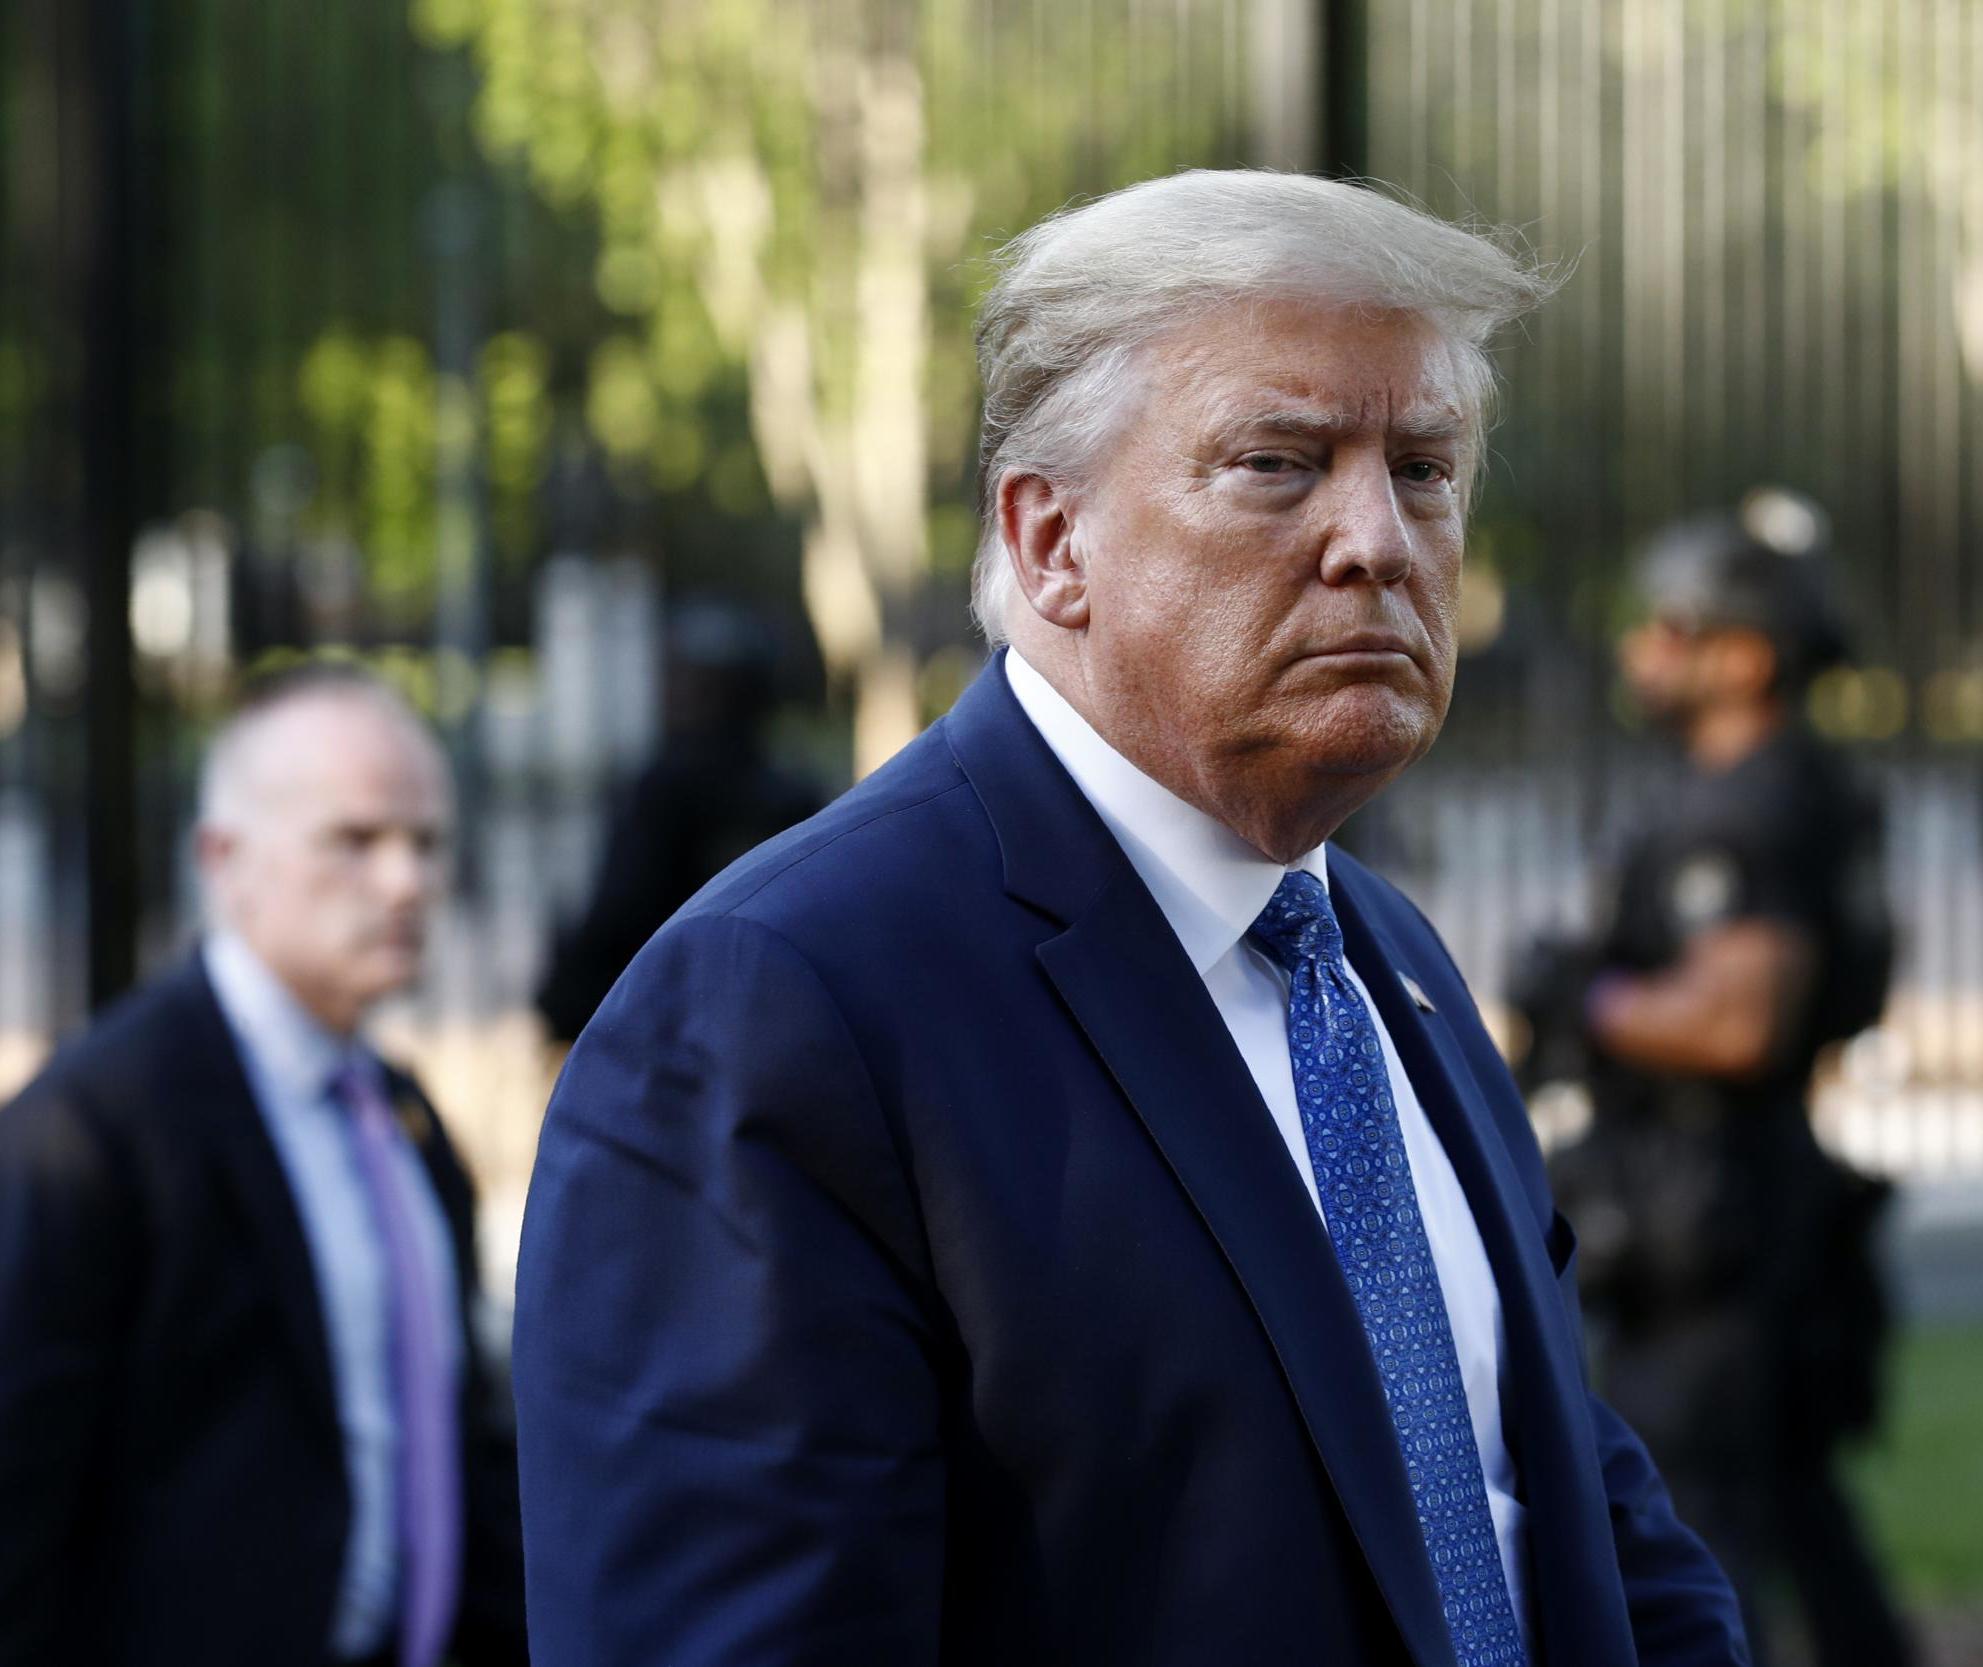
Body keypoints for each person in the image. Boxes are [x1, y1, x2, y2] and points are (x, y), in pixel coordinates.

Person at [513, 169, 1748, 1667]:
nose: (1374, 538)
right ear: (1049, 541)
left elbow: (1555, 1511)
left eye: (1422, 469)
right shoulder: (777, 1010)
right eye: (1278, 463)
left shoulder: (1376, 957)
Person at [0, 665, 528, 1667]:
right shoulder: (91, 1127)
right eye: (354, 840)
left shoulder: (400, 1114)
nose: (407, 880)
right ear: (223, 859)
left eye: (426, 841)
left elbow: (445, 1441)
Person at [1514, 494, 1915, 1667]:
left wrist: (1586, 1001)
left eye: (1671, 629)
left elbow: (1739, 1021)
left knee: (1689, 1528)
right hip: (1760, 1200)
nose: (1643, 648)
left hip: (1709, 1219)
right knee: (1792, 1501)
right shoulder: (1794, 785)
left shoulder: (1747, 808)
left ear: (1742, 656)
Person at [534, 599, 823, 1043]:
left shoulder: (665, 791)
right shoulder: (795, 796)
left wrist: (563, 997)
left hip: (665, 1034)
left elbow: (618, 920)